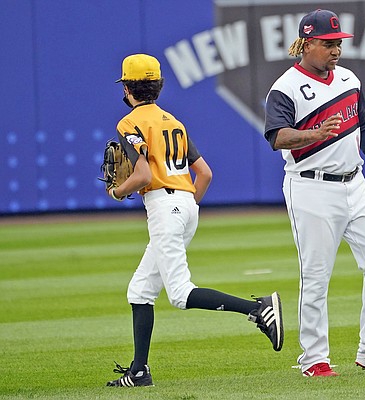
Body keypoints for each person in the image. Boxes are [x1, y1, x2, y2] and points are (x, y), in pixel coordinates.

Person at [105, 54, 283, 387]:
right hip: (186, 203)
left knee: (180, 294)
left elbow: (142, 174)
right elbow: (204, 173)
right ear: (158, 86)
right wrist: (185, 204)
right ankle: (139, 371)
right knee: (140, 290)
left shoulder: (129, 123)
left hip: (165, 207)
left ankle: (258, 310)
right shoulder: (174, 122)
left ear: (128, 88)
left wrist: (118, 191)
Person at [264, 9, 365, 377]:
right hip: (309, 186)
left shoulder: (348, 79)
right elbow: (277, 137)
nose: (335, 50)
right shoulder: (285, 87)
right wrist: (314, 134)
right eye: (328, 44)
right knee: (316, 274)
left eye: (338, 43)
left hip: (356, 184)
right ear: (307, 43)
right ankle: (314, 359)